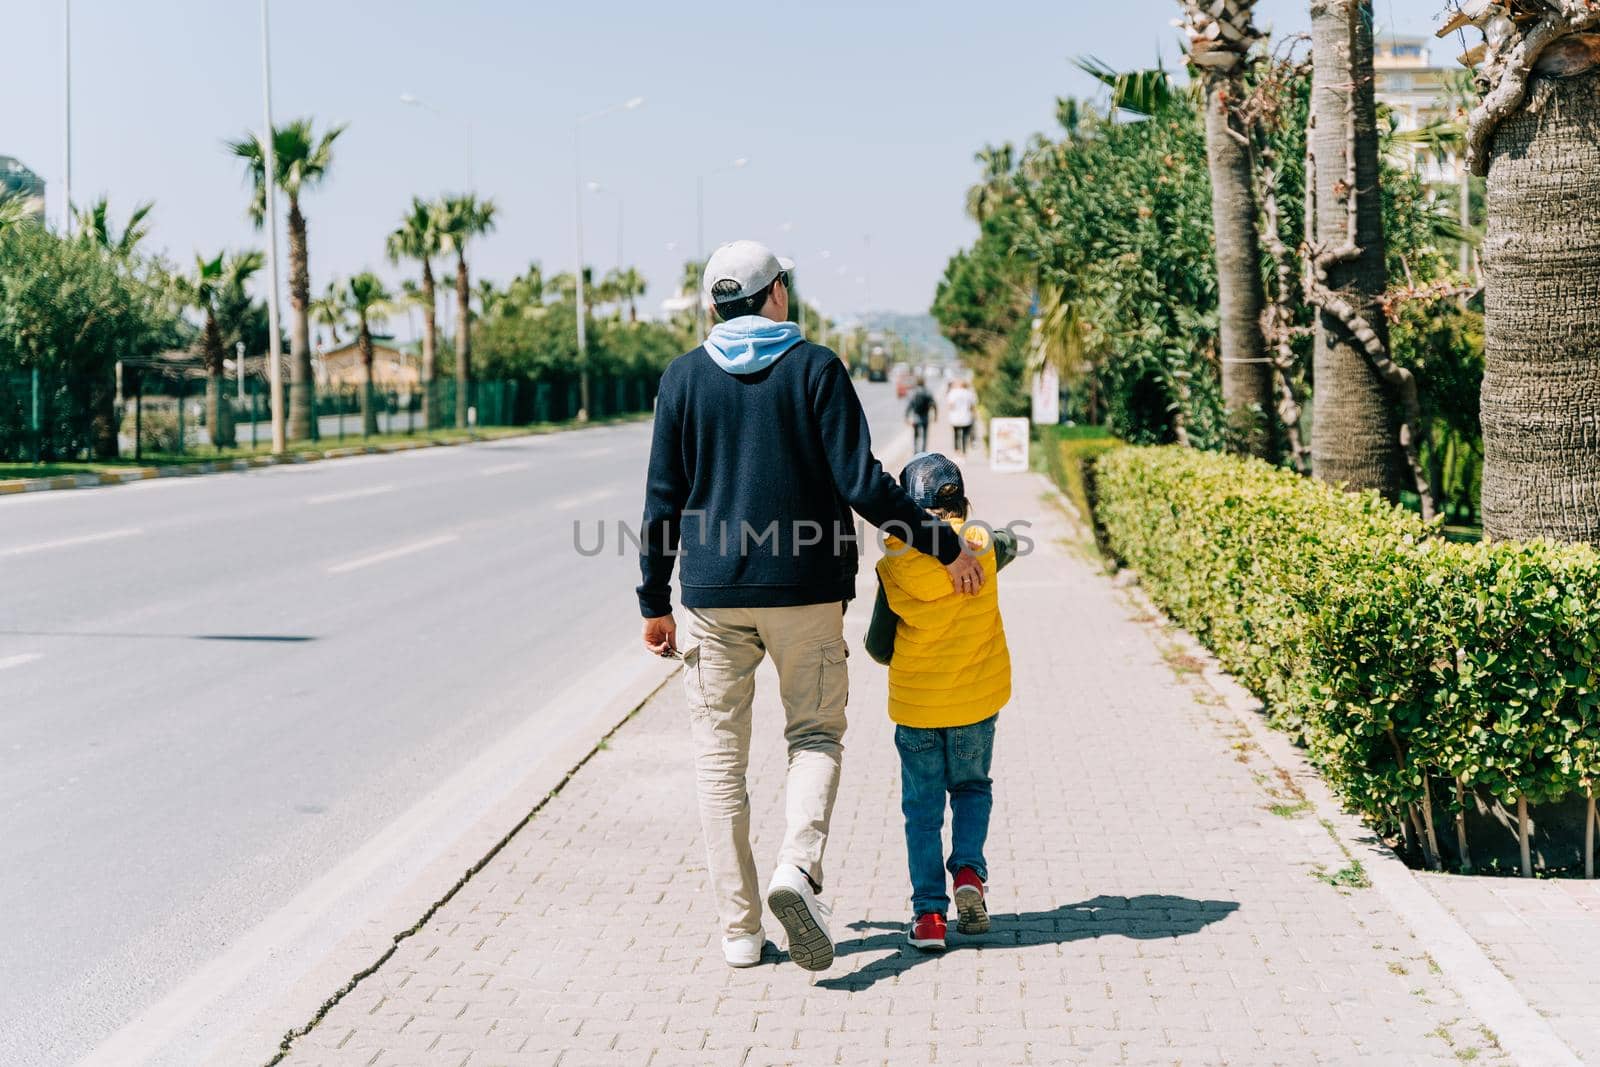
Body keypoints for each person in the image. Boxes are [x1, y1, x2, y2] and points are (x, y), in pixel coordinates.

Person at [637, 240, 986, 972]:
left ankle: (738, 930)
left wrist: (653, 599)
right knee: (815, 736)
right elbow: (864, 485)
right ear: (777, 296)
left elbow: (662, 501)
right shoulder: (817, 369)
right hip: (806, 591)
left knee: (717, 763)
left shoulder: (683, 378)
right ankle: (798, 870)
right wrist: (942, 544)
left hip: (710, 597)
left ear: (711, 308)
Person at [865, 453, 1014, 952]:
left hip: (918, 708)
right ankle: (969, 872)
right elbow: (1005, 542)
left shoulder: (894, 567)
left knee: (922, 811)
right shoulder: (986, 547)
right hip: (974, 703)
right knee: (971, 788)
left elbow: (877, 646)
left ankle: (929, 917)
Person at [946, 378, 977, 454]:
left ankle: (956, 450)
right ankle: (963, 452)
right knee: (964, 435)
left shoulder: (953, 392)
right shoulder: (969, 393)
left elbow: (950, 405)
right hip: (966, 416)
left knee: (956, 434)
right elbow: (972, 406)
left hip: (955, 417)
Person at [906, 377, 936, 452]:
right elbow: (933, 404)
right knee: (925, 435)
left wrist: (907, 416)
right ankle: (923, 451)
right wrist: (935, 415)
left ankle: (916, 451)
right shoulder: (927, 391)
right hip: (925, 416)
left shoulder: (913, 392)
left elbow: (909, 405)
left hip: (916, 417)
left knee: (916, 435)